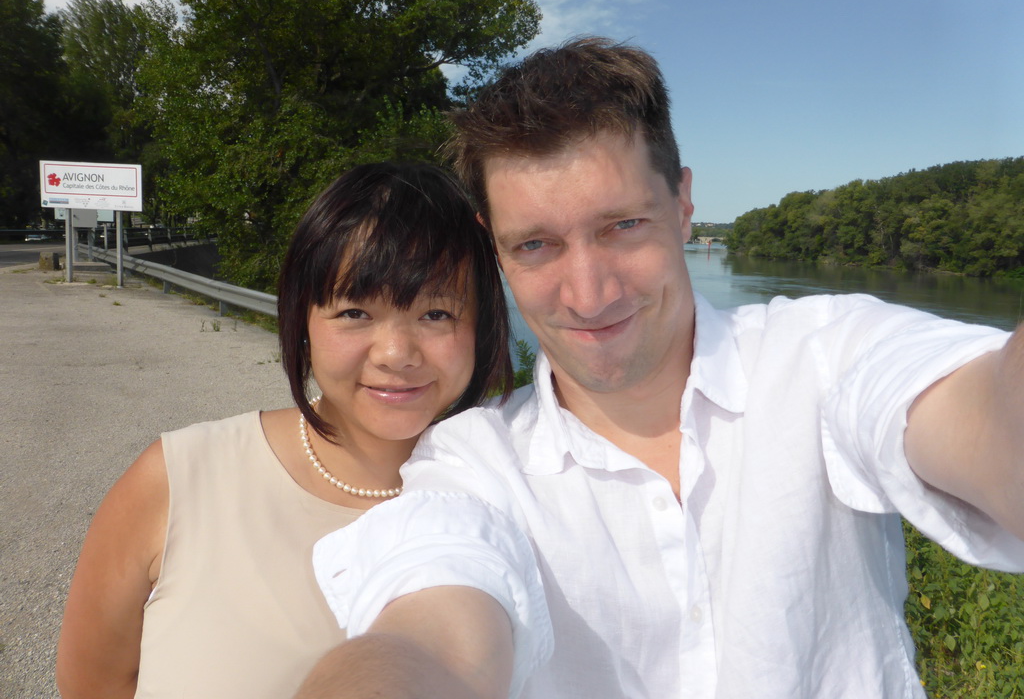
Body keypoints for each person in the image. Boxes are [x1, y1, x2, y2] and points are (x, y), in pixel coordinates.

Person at [299, 38, 1024, 699]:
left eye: (622, 226)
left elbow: (985, 420)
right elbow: (431, 626)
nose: (588, 295)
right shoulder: (474, 465)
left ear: (681, 205)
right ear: (495, 245)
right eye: (536, 246)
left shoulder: (825, 356)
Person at [55, 162, 513, 699]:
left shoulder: (511, 494)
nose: (396, 355)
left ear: (481, 325)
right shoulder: (180, 479)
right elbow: (93, 684)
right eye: (354, 312)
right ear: (303, 321)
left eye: (436, 313)